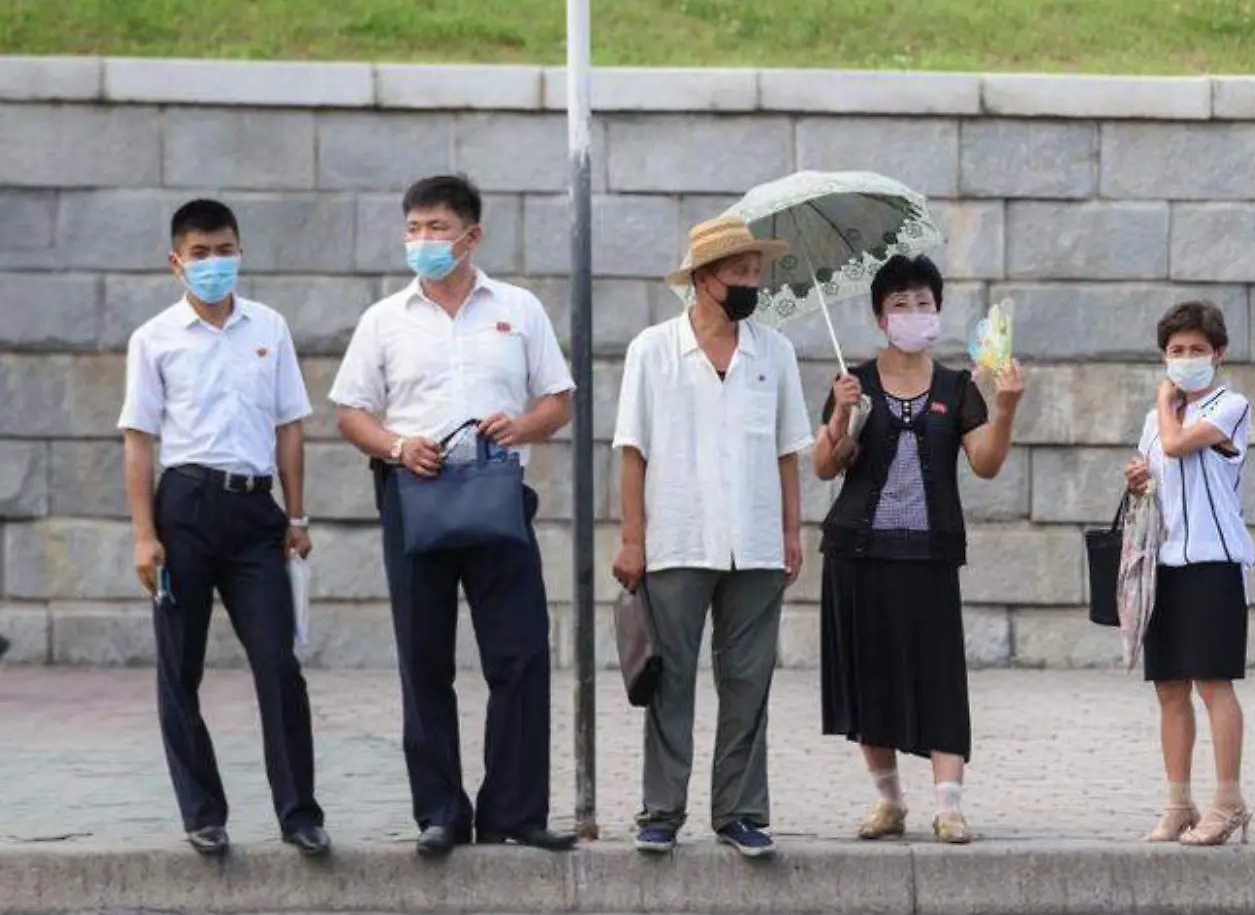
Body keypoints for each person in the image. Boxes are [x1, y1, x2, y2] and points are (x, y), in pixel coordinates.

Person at [330, 175, 576, 858]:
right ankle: (441, 811)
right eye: (413, 228)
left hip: (497, 495)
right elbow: (350, 411)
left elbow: (560, 400)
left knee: (522, 654)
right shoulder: (386, 319)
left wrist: (521, 425)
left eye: (436, 228)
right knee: (424, 660)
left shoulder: (518, 309)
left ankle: (517, 812)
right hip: (416, 498)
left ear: (472, 235)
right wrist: (397, 446)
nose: (423, 241)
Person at [116, 198, 328, 858]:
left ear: (241, 252)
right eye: (201, 253)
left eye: (225, 249)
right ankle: (203, 812)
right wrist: (144, 534)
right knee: (180, 668)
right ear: (175, 262)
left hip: (254, 512)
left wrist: (295, 515)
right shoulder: (155, 339)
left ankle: (299, 814)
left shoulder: (269, 327)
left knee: (278, 664)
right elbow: (138, 441)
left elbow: (290, 425)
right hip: (185, 508)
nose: (215, 264)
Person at [611, 215, 814, 859]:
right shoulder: (652, 350)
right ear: (703, 279)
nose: (751, 284)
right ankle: (663, 811)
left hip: (754, 540)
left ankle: (741, 812)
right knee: (669, 680)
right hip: (676, 538)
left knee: (749, 681)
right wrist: (632, 541)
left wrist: (791, 529)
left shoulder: (774, 352)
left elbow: (787, 450)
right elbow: (632, 452)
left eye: (756, 272)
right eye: (739, 273)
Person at [811, 256, 1024, 845]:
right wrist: (843, 417)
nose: (913, 314)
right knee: (869, 675)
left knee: (939, 675)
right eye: (900, 305)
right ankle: (888, 802)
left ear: (937, 311)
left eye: (923, 303)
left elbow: (985, 463)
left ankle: (949, 806)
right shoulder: (852, 382)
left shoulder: (957, 389)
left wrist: (1004, 406)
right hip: (858, 550)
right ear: (881, 318)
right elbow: (826, 465)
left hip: (928, 554)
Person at [1120, 301, 1255, 846]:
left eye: (1196, 350)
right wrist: (1136, 477)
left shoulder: (1230, 405)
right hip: (1165, 562)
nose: (1185, 360)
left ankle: (1229, 801)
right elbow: (1156, 471)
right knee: (1169, 688)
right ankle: (1179, 802)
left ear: (1217, 354)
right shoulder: (1156, 420)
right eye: (1176, 351)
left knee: (1213, 684)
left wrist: (1163, 402)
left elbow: (1179, 446)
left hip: (1214, 561)